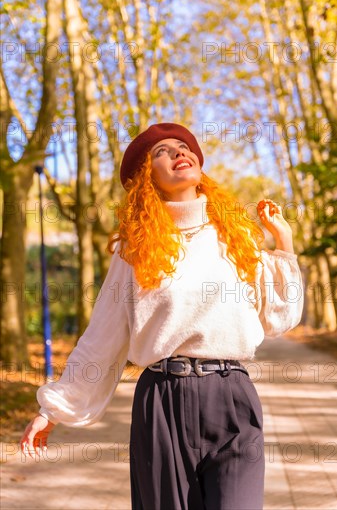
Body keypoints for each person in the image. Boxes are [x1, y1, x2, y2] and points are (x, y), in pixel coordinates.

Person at [20, 123, 303, 510]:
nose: (177, 152)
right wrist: (53, 410)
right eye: (162, 152)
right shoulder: (134, 249)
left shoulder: (235, 237)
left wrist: (283, 242)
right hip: (162, 401)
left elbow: (279, 317)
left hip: (232, 397)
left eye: (183, 146)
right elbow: (103, 335)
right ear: (146, 177)